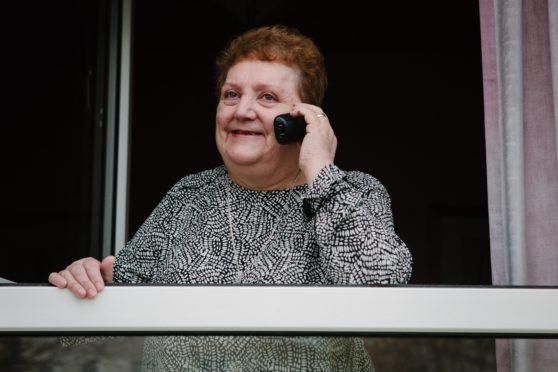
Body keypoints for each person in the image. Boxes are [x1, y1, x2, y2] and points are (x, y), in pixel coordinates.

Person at [49, 25, 412, 371]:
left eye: (267, 97)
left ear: (305, 120)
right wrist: (83, 283)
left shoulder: (352, 192)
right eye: (231, 95)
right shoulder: (188, 196)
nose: (242, 110)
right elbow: (102, 322)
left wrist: (320, 169)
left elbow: (385, 290)